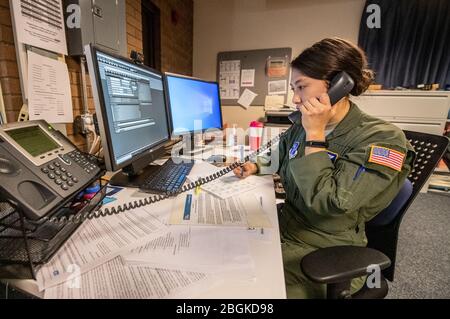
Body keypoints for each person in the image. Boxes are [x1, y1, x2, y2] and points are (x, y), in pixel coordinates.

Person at [233, 38, 416, 299]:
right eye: (293, 88)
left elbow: (330, 203)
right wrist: (254, 164)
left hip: (326, 252)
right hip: (283, 226)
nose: (295, 98)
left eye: (301, 87)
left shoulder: (383, 139)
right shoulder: (301, 126)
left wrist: (315, 135)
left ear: (340, 85)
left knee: (241, 291)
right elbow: (281, 153)